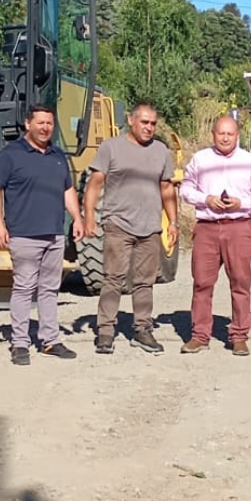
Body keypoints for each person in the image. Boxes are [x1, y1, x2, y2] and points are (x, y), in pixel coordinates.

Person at [0, 104, 85, 366]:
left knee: (50, 289)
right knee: (23, 288)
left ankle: (50, 340)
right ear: (27, 124)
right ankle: (20, 343)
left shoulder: (57, 155)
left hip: (54, 234)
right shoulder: (10, 155)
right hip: (24, 234)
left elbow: (67, 190)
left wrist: (77, 218)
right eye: (40, 123)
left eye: (49, 124)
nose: (45, 128)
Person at [84, 102, 178, 355]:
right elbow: (94, 184)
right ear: (131, 120)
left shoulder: (161, 151)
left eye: (153, 123)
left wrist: (173, 222)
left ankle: (142, 330)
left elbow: (167, 189)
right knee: (113, 279)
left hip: (150, 227)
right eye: (144, 122)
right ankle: (105, 332)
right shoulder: (111, 148)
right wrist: (89, 217)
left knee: (145, 282)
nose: (149, 127)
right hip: (118, 224)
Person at [179, 115, 251, 356]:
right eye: (221, 133)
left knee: (240, 282)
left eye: (230, 134)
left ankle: (239, 335)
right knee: (202, 283)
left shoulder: (249, 161)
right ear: (213, 134)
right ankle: (200, 335)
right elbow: (185, 188)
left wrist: (242, 203)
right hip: (207, 227)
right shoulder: (200, 159)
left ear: (237, 136)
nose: (226, 138)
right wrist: (206, 199)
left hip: (239, 226)